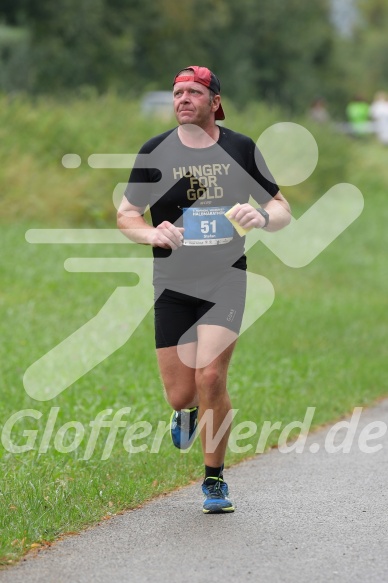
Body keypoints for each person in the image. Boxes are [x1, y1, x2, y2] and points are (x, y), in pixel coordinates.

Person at [117, 66, 291, 513]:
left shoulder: (240, 148)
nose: (183, 98)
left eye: (194, 91)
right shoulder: (155, 151)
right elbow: (127, 214)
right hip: (172, 282)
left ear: (215, 101)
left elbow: (280, 204)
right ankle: (185, 411)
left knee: (211, 376)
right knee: (181, 393)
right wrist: (150, 235)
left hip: (226, 277)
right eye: (177, 92)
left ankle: (214, 480)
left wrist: (265, 218)